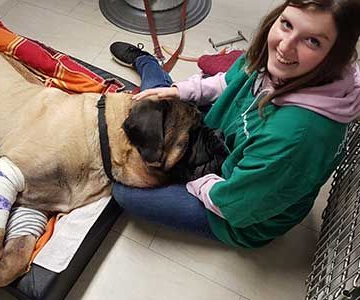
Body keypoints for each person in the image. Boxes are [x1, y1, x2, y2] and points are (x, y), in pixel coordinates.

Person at [109, 0, 360, 248]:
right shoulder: (274, 56)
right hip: (227, 140)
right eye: (286, 24)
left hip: (236, 208)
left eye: (312, 41)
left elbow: (234, 206)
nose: (285, 46)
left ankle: (151, 72)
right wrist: (179, 91)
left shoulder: (296, 138)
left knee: (128, 192)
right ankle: (148, 64)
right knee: (159, 102)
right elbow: (227, 82)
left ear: (336, 54)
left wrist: (191, 178)